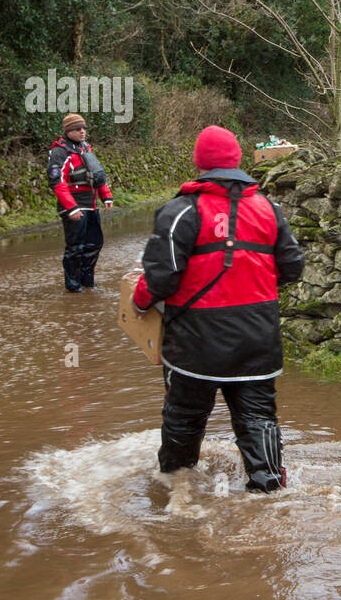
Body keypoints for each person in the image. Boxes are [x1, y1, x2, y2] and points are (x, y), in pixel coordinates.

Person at [131, 125, 305, 493]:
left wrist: (138, 301)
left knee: (184, 419)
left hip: (195, 344)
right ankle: (270, 492)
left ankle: (173, 493)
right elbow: (292, 268)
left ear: (200, 163)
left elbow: (160, 279)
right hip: (258, 339)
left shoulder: (180, 211)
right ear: (237, 161)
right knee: (259, 419)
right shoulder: (268, 209)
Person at [47, 113, 113, 291]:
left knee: (95, 243)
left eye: (84, 128)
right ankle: (73, 286)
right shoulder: (59, 152)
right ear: (68, 131)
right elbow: (57, 182)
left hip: (90, 204)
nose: (82, 131)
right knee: (75, 247)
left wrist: (106, 195)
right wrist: (71, 208)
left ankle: (87, 281)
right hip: (73, 206)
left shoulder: (85, 148)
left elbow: (96, 173)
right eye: (77, 129)